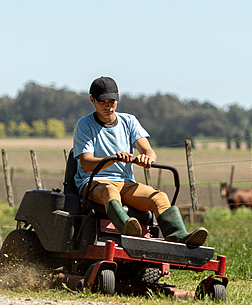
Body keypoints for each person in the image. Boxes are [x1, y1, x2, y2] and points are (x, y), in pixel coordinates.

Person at [72, 76, 208, 246]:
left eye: (112, 101)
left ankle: (179, 236)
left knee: (159, 197)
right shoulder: (84, 125)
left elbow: (148, 150)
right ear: (92, 100)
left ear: (118, 97)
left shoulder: (129, 121)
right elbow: (86, 164)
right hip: (94, 183)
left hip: (125, 183)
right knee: (109, 191)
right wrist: (112, 159)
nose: (108, 107)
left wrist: (147, 158)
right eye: (103, 102)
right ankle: (127, 228)